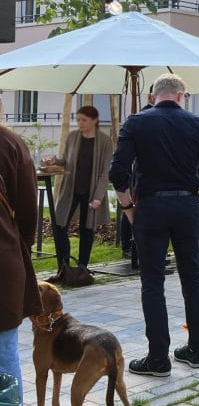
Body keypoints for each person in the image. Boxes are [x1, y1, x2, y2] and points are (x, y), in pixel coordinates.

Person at [110, 74, 199, 376]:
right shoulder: (198, 124)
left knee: (152, 283)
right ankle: (196, 349)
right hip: (186, 205)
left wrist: (129, 209)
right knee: (192, 278)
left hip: (151, 207)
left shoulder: (136, 122)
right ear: (181, 95)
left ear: (152, 96)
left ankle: (158, 358)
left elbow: (118, 172)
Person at [0, 122, 41, 406]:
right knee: (4, 354)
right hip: (4, 261)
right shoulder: (9, 142)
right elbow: (29, 212)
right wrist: (18, 247)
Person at [44, 105, 113, 279]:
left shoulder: (105, 141)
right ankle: (64, 267)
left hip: (91, 192)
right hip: (71, 190)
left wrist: (98, 197)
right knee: (59, 226)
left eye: (84, 120)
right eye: (78, 119)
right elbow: (65, 161)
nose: (80, 123)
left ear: (94, 121)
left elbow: (105, 172)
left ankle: (82, 269)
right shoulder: (73, 137)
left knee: (87, 228)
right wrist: (54, 160)